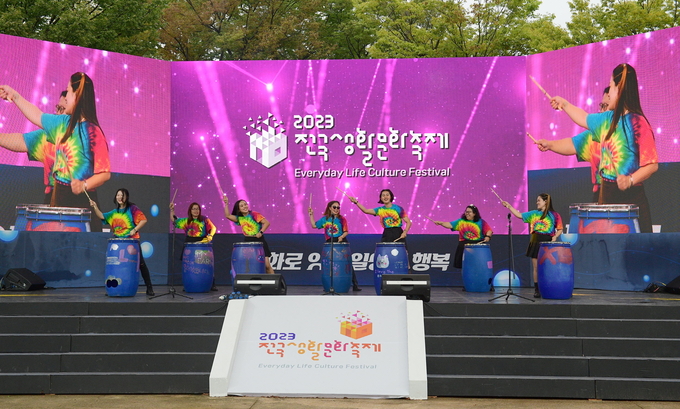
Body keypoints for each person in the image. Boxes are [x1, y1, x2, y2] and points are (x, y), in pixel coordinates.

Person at [541, 64, 657, 232]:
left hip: (633, 199)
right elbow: (583, 117)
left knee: (638, 245)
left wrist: (630, 180)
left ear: (619, 88)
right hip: (607, 196)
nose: (608, 94)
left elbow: (652, 165)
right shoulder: (606, 120)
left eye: (611, 86)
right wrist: (564, 103)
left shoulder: (638, 123)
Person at [0, 73, 111, 232]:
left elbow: (105, 174)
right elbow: (37, 115)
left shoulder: (94, 132)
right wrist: (14, 95)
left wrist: (84, 185)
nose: (66, 98)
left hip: (83, 209)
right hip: (58, 201)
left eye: (69, 91)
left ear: (77, 95)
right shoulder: (61, 124)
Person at [0, 91, 67, 204]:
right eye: (58, 108)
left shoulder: (86, 135)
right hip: (53, 199)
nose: (58, 114)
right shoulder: (47, 136)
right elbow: (20, 141)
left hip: (79, 198)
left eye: (63, 109)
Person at [90, 188, 154, 296]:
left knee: (141, 264)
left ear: (126, 197)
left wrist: (135, 229)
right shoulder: (114, 212)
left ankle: (149, 287)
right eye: (118, 195)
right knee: (116, 265)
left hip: (132, 242)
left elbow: (143, 220)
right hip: (118, 243)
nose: (119, 197)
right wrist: (95, 206)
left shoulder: (132, 209)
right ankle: (115, 288)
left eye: (122, 195)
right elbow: (101, 216)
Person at [502, 193, 563, 299]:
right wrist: (509, 206)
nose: (537, 202)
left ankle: (550, 287)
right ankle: (537, 290)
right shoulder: (534, 213)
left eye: (539, 200)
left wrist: (555, 236)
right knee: (536, 268)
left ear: (545, 202)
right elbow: (519, 215)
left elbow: (560, 229)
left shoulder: (555, 215)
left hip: (548, 243)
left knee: (548, 267)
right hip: (535, 241)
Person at [309, 200, 361, 291]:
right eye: (334, 207)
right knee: (330, 265)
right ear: (330, 208)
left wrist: (341, 237)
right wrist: (311, 214)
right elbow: (314, 225)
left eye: (338, 207)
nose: (336, 209)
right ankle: (329, 285)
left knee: (346, 264)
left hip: (341, 242)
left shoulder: (342, 219)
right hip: (330, 242)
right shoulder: (325, 219)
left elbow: (346, 232)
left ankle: (354, 284)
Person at [170, 201, 218, 291]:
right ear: (190, 211)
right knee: (189, 264)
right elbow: (174, 220)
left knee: (205, 264)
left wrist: (210, 235)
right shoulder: (186, 221)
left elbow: (213, 228)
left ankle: (211, 284)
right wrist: (172, 210)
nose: (196, 211)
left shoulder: (204, 219)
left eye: (197, 209)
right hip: (189, 244)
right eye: (194, 209)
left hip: (202, 243)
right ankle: (189, 283)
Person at [223, 196, 275, 274]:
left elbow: (267, 223)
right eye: (242, 206)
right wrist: (226, 204)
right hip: (247, 242)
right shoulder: (239, 218)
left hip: (259, 242)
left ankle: (273, 281)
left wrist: (260, 232)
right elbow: (228, 216)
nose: (244, 206)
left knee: (267, 266)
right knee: (251, 266)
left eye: (245, 204)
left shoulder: (254, 214)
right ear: (238, 209)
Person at [433, 205, 493, 270]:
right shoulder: (461, 221)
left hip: (477, 246)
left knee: (477, 266)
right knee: (465, 267)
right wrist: (441, 223)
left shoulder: (481, 222)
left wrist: (488, 236)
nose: (467, 213)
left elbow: (489, 230)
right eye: (466, 212)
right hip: (464, 246)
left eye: (469, 212)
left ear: (474, 213)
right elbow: (450, 225)